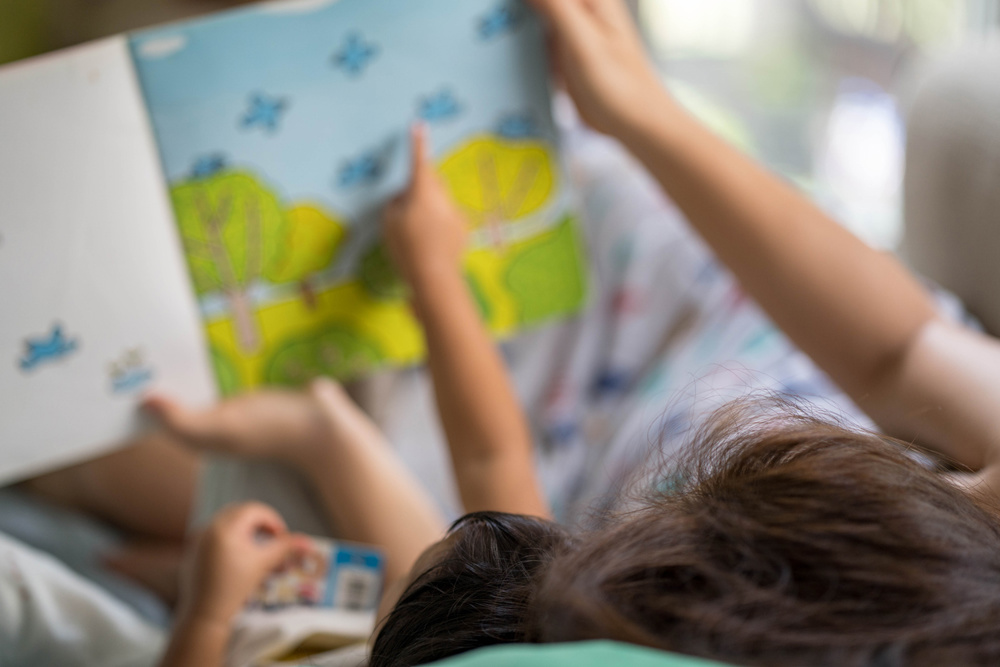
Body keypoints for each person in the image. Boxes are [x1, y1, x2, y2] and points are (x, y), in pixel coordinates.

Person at [14, 0, 1000, 664]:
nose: (944, 477)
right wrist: (637, 110)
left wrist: (201, 617)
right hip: (503, 361)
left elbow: (500, 543)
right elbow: (901, 350)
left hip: (473, 452)